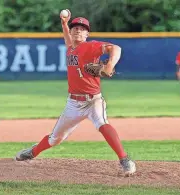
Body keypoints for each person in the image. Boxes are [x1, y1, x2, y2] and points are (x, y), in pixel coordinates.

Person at [15, 10, 136, 176]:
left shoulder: (90, 46)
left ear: (87, 33)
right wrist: (64, 24)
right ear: (71, 33)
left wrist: (108, 67)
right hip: (73, 103)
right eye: (75, 28)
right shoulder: (71, 48)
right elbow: (67, 40)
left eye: (82, 28)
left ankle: (125, 160)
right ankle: (33, 152)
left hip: (93, 100)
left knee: (102, 123)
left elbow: (116, 48)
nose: (78, 30)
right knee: (55, 138)